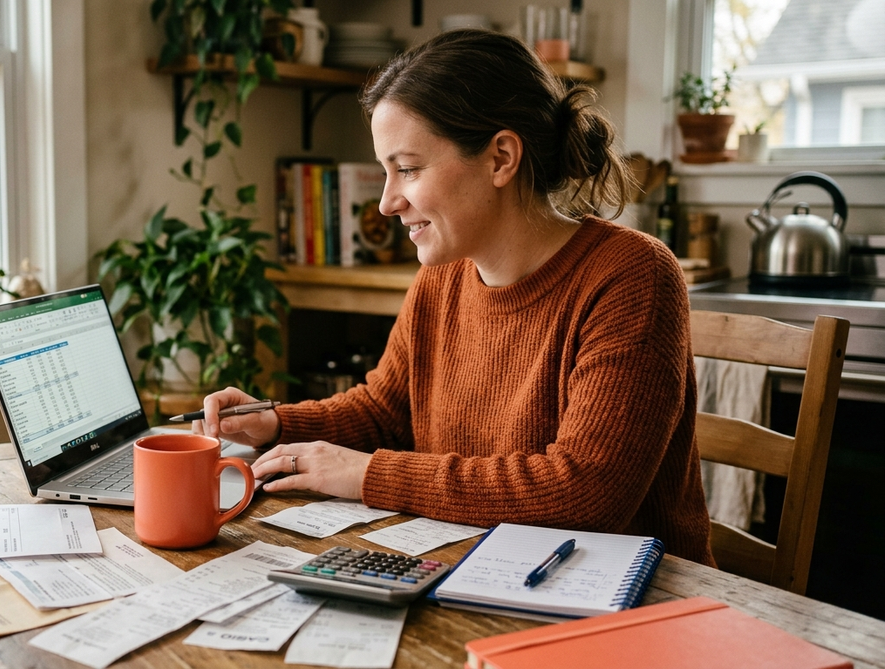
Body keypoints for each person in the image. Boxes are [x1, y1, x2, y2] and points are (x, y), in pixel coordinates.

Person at [196, 30, 715, 565]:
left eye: (409, 169)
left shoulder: (631, 275)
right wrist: (278, 422)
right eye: (385, 172)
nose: (386, 203)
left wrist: (367, 474)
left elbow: (585, 491)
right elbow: (385, 411)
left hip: (631, 601)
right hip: (478, 566)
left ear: (500, 159)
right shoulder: (444, 275)